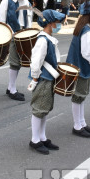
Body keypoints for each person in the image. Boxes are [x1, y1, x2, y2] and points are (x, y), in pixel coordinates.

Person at [26, 9, 65, 155]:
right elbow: (35, 62)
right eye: (57, 22)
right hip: (42, 78)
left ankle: (42, 137)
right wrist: (35, 78)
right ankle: (35, 140)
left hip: (48, 78)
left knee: (44, 108)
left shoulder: (48, 38)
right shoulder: (42, 40)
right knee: (39, 109)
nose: (59, 24)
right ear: (50, 23)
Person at [66, 0, 90, 138]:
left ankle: (82, 123)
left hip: (76, 65)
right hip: (81, 66)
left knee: (80, 97)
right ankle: (77, 125)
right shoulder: (87, 30)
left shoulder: (82, 26)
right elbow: (88, 52)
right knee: (78, 97)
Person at [0, 0, 32, 101]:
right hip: (11, 34)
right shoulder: (7, 1)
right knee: (14, 62)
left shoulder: (26, 3)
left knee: (19, 63)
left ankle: (11, 87)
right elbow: (0, 19)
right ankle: (12, 89)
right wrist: (3, 35)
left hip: (22, 35)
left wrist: (28, 34)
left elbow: (28, 20)